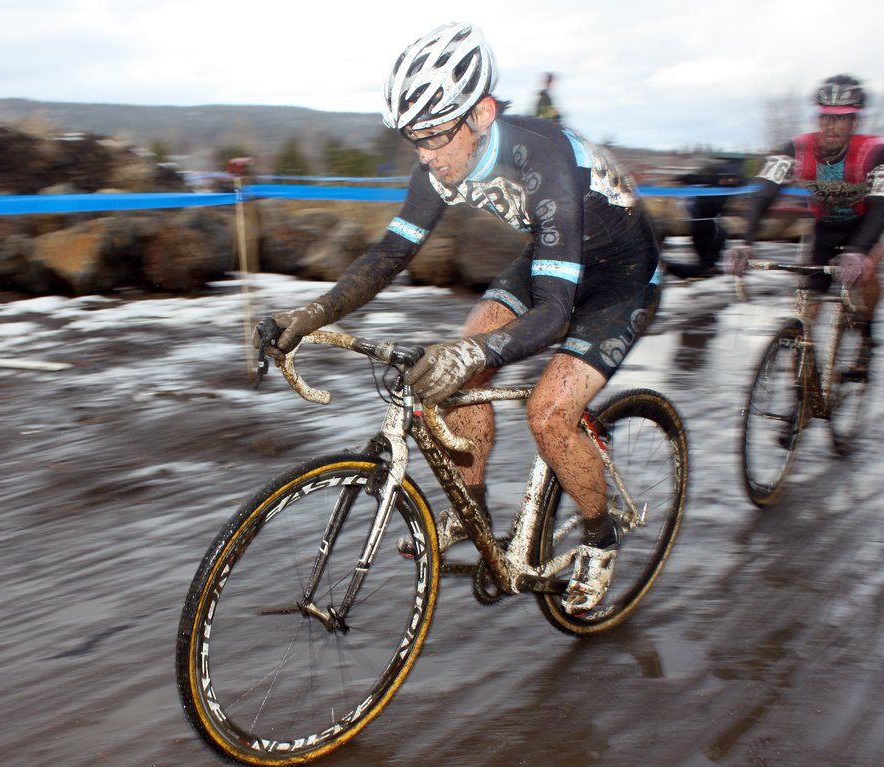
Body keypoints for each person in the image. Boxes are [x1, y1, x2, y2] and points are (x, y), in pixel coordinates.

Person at [260, 22, 661, 614]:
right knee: (460, 369)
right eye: (413, 139)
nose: (426, 155)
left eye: (436, 136)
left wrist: (471, 354)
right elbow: (391, 253)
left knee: (548, 414)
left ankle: (601, 540)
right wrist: (314, 312)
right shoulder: (438, 161)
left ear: (482, 113)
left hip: (621, 278)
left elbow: (553, 312)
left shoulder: (542, 157)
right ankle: (470, 511)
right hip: (553, 259)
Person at [728, 75, 884, 376]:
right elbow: (763, 193)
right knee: (806, 305)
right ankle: (804, 379)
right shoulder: (795, 149)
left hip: (868, 226)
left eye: (842, 119)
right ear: (818, 117)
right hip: (825, 227)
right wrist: (745, 241)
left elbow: (880, 208)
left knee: (864, 277)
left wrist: (860, 252)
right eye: (826, 117)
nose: (832, 126)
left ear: (854, 122)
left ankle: (865, 339)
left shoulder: (877, 152)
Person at [665, 154, 744, 279]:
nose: (729, 181)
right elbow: (695, 179)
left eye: (732, 179)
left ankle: (699, 268)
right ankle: (670, 268)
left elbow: (743, 182)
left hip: (709, 222)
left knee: (719, 239)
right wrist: (679, 178)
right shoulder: (711, 183)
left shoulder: (732, 186)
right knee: (706, 261)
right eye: (727, 178)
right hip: (700, 222)